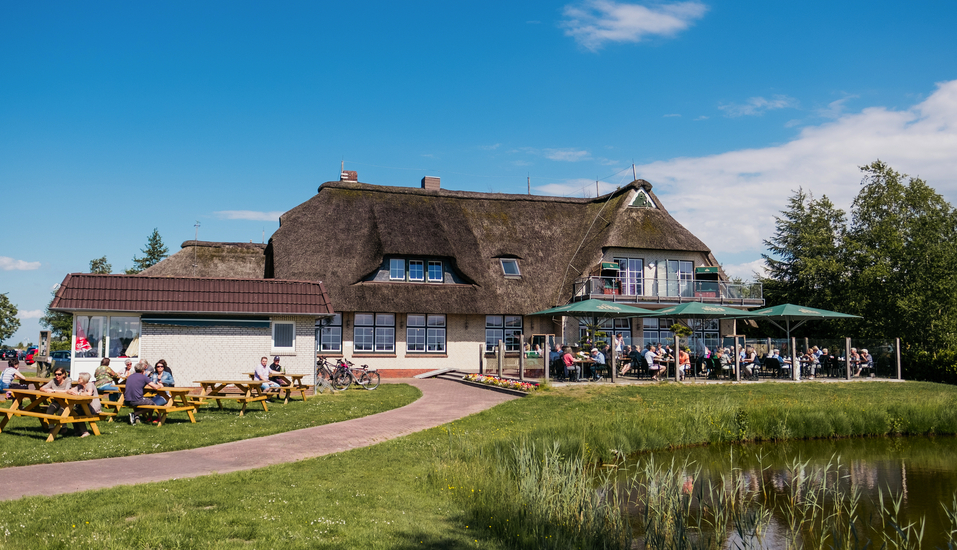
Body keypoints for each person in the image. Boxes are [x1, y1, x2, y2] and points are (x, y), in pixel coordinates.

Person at [66, 372, 101, 437]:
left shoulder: (90, 385)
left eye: (79, 378)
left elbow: (89, 394)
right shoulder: (80, 386)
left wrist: (78, 393)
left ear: (84, 379)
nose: (78, 379)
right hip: (83, 407)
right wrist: (71, 392)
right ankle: (78, 431)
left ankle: (85, 432)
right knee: (72, 412)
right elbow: (69, 390)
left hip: (93, 407)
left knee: (77, 413)